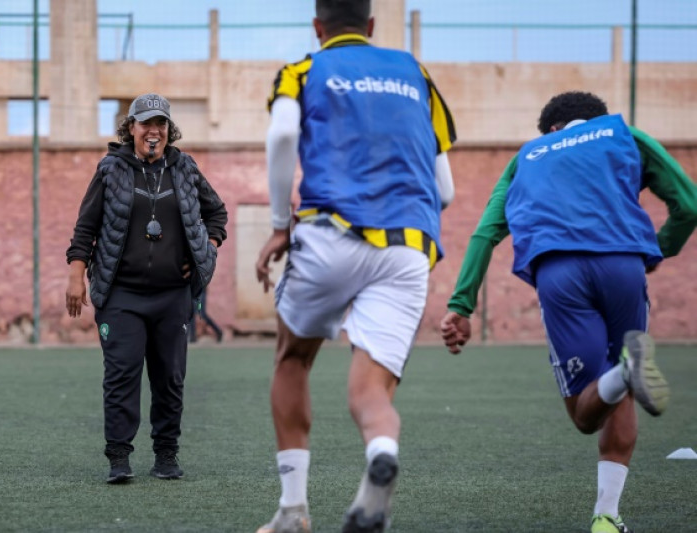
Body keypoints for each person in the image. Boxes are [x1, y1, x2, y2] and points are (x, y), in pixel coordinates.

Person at [440, 91, 697, 533]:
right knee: (622, 391)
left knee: (584, 413)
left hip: (560, 273)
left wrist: (461, 305)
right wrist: (656, 252)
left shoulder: (529, 155)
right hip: (623, 265)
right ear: (595, 121)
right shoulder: (625, 134)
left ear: (552, 130)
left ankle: (624, 371)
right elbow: (689, 205)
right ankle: (606, 515)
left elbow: (485, 232)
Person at [254, 0, 457, 530]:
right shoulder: (416, 74)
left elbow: (280, 137)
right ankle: (380, 452)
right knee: (372, 390)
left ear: (318, 27)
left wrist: (280, 224)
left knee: (292, 358)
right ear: (371, 26)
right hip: (409, 246)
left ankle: (293, 510)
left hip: (331, 234)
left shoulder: (303, 69)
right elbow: (447, 191)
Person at [66, 93, 228, 484]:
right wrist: (75, 275)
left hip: (173, 294)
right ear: (131, 129)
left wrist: (206, 249)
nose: (153, 131)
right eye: (145, 124)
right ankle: (119, 458)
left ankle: (166, 455)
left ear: (169, 131)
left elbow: (216, 213)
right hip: (121, 295)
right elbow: (86, 228)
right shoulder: (110, 169)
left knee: (169, 377)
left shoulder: (185, 168)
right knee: (121, 375)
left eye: (160, 125)